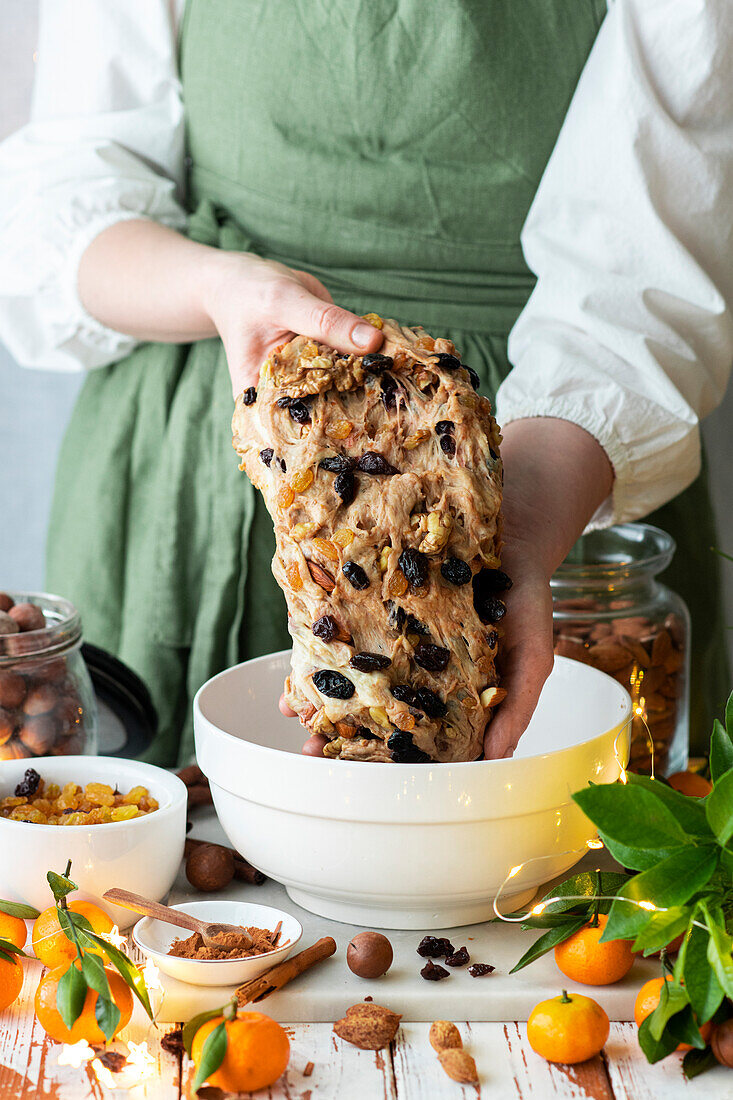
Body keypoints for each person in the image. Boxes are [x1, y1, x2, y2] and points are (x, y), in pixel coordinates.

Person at [0, 0, 730, 765]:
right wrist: (215, 286)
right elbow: (68, 187)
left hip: (558, 452)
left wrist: (506, 535)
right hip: (196, 443)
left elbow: (655, 261)